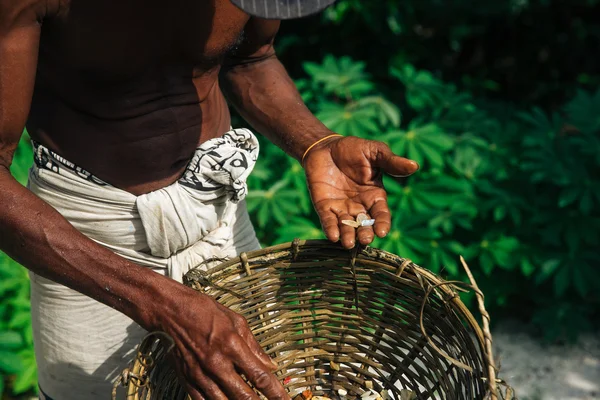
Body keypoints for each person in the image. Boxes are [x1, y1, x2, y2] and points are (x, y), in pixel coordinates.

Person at [0, 0, 419, 399]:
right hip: (90, 238)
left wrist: (317, 143)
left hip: (218, 216)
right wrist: (159, 302)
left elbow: (251, 57)